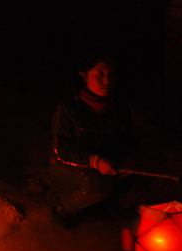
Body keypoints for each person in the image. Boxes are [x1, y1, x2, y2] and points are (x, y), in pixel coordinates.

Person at [50, 52, 139, 227]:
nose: (107, 81)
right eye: (100, 74)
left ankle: (104, 203)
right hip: (68, 165)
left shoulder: (119, 106)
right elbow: (61, 152)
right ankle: (63, 209)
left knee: (138, 192)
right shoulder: (69, 108)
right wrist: (95, 161)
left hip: (109, 165)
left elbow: (131, 140)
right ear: (84, 76)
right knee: (98, 188)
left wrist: (128, 161)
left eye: (111, 74)